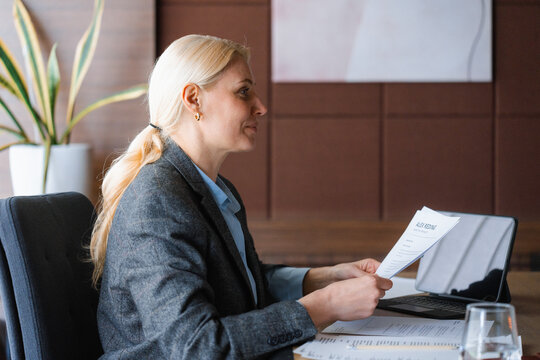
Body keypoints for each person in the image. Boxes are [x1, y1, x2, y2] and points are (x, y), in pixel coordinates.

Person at [90, 34, 392, 360]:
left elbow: (236, 283)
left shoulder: (211, 188)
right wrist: (327, 305)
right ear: (194, 99)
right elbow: (196, 346)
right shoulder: (157, 202)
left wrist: (322, 279)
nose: (261, 107)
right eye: (243, 92)